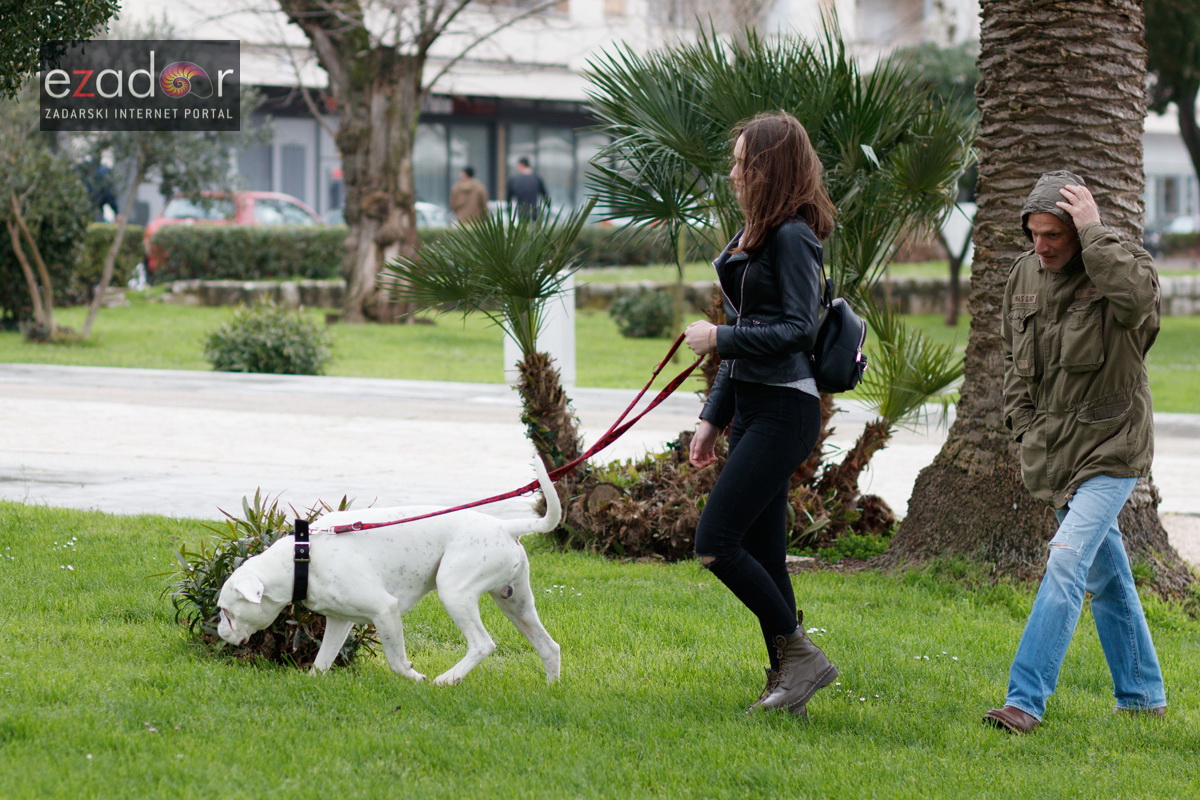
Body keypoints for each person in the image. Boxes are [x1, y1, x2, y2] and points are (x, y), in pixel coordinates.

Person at [986, 170, 1167, 734]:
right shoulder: (1023, 276)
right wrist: (1023, 429)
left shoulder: (1117, 269)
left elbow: (1141, 301)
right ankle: (1142, 696)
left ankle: (1024, 700)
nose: (1040, 247)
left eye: (1054, 236)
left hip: (1113, 447)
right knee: (1107, 576)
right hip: (1054, 454)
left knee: (1065, 559)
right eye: (1034, 234)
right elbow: (1015, 364)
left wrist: (1095, 232)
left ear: (1075, 230)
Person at [682, 111, 838, 716]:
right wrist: (712, 418)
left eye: (744, 162)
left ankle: (801, 657)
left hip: (786, 407)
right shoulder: (754, 235)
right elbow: (744, 328)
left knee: (716, 541)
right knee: (767, 557)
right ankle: (788, 684)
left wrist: (719, 340)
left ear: (768, 169)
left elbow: (797, 328)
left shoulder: (795, 236)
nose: (733, 173)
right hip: (752, 407)